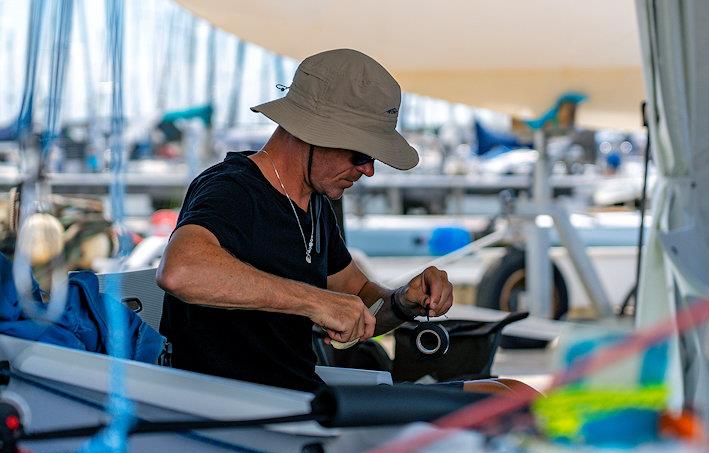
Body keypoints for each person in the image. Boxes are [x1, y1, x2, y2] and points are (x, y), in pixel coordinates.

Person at [157, 49, 531, 396]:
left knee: (516, 393)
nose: (368, 170)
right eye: (361, 154)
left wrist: (404, 301)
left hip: (307, 401)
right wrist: (314, 301)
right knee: (503, 402)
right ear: (313, 131)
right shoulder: (233, 188)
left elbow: (358, 301)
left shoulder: (314, 202)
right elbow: (181, 270)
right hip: (249, 418)